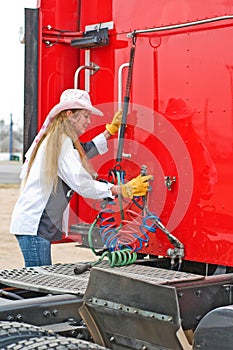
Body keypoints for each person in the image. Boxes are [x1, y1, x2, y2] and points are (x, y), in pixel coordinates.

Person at [10, 89, 152, 267]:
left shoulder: (58, 139)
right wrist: (120, 190)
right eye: (85, 115)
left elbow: (82, 152)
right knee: (39, 282)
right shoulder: (61, 142)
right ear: (70, 114)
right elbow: (81, 183)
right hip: (34, 226)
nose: (89, 121)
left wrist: (110, 131)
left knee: (39, 278)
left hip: (34, 226)